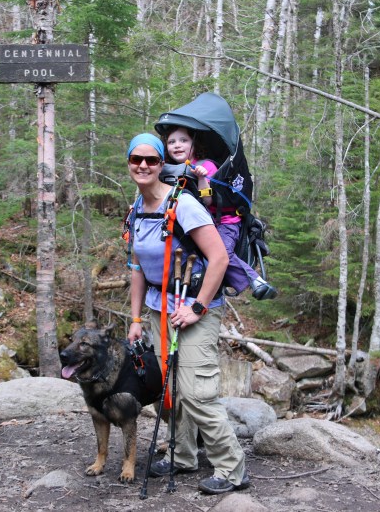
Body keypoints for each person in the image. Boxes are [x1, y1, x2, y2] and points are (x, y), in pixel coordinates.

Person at [125, 133, 249, 495]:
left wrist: (196, 307)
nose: (143, 166)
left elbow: (220, 258)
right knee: (171, 392)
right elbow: (136, 267)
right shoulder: (137, 207)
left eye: (151, 160)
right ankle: (182, 454)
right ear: (129, 163)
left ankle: (232, 468)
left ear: (162, 163)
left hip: (195, 309)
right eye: (137, 159)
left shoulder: (183, 204)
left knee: (197, 392)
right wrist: (135, 320)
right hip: (157, 308)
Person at [164, 125, 277, 301]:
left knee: (221, 253)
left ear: (194, 144)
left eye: (183, 140)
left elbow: (208, 200)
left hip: (225, 222)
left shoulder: (205, 166)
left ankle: (256, 281)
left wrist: (202, 178)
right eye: (172, 142)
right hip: (198, 224)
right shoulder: (172, 170)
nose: (177, 145)